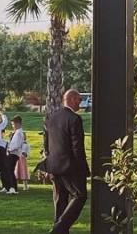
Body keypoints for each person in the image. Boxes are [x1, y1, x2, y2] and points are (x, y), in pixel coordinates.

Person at [44, 88, 89, 234]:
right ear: (70, 99)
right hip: (70, 167)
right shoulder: (74, 119)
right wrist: (83, 168)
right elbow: (77, 146)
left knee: (61, 200)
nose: (80, 103)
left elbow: (47, 142)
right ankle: (58, 229)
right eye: (78, 99)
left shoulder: (52, 118)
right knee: (80, 195)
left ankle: (60, 230)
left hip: (54, 166)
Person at [8, 116, 29, 192]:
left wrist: (9, 149)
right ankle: (12, 187)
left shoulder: (19, 133)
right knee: (10, 170)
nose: (12, 126)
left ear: (17, 123)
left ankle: (13, 187)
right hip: (14, 152)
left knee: (10, 170)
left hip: (14, 153)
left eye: (13, 124)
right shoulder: (17, 132)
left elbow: (16, 144)